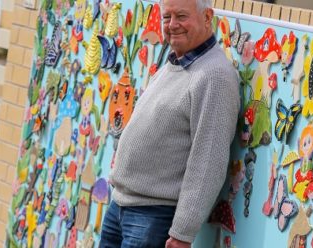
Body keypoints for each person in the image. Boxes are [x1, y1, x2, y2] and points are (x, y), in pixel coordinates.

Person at [100, 0, 240, 247]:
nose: (172, 25)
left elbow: (208, 161)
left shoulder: (214, 76)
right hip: (122, 207)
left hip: (153, 217)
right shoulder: (175, 63)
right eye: (167, 17)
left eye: (181, 16)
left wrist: (182, 232)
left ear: (207, 17)